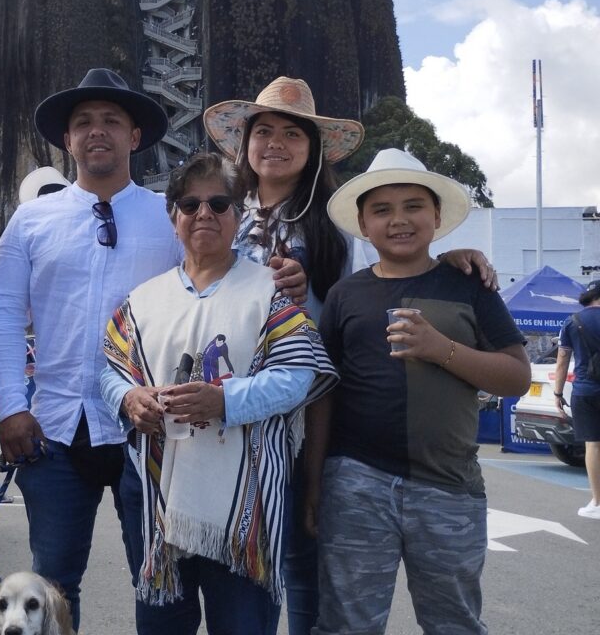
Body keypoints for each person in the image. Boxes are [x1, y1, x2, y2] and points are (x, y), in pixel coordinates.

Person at [0, 68, 306, 630]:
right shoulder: (31, 220)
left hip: (155, 434)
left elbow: (222, 275)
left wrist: (285, 277)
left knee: (161, 581)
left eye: (112, 120)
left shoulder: (172, 213)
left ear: (136, 136)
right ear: (67, 139)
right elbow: (8, 316)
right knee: (54, 583)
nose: (97, 132)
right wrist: (12, 407)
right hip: (56, 427)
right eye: (83, 122)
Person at [203, 76, 497, 635]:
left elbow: (395, 263)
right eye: (263, 131)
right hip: (229, 410)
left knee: (311, 572)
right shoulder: (219, 209)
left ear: (314, 149)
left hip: (306, 412)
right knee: (240, 568)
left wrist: (456, 253)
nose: (275, 143)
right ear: (244, 143)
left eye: (293, 133)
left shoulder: (341, 227)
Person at [102, 153, 337, 635]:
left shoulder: (271, 292)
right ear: (174, 218)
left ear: (238, 217)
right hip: (156, 488)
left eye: (218, 203)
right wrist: (128, 399)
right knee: (163, 624)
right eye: (189, 204)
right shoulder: (140, 300)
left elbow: (298, 376)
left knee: (242, 625)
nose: (203, 213)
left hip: (246, 495)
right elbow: (109, 371)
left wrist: (225, 402)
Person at [306, 148, 530, 635]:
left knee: (454, 623)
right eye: (381, 210)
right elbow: (324, 393)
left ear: (437, 216)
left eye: (413, 206)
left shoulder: (469, 283)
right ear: (363, 226)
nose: (399, 220)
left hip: (448, 484)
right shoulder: (346, 294)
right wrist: (315, 479)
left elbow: (515, 376)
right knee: (347, 623)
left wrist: (440, 348)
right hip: (355, 482)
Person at [553, 278, 600, 519]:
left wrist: (558, 393)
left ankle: (597, 502)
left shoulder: (572, 322)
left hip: (585, 389)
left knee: (593, 444)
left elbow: (562, 361)